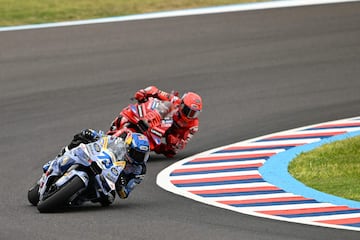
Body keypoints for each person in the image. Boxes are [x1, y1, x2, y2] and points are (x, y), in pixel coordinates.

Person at [48, 129, 150, 202]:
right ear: (128, 148)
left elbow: (125, 194)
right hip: (95, 160)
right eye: (136, 153)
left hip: (107, 180)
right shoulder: (118, 143)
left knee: (108, 199)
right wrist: (92, 134)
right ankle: (61, 156)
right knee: (81, 137)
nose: (139, 158)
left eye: (142, 155)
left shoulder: (139, 170)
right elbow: (103, 138)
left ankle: (77, 196)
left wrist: (121, 185)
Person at [109, 86, 203, 158]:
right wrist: (143, 92)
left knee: (170, 152)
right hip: (149, 116)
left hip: (162, 132)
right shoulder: (174, 100)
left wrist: (176, 142)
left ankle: (142, 146)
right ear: (182, 105)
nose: (190, 115)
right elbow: (155, 90)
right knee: (127, 114)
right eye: (188, 111)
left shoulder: (193, 126)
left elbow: (182, 143)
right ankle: (118, 130)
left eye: (194, 113)